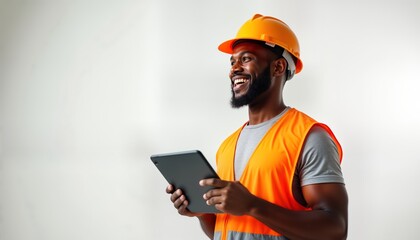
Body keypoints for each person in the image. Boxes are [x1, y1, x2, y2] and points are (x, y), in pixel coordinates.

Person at [166, 14, 348, 240]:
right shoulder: (227, 146)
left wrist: (253, 205)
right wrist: (203, 215)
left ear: (279, 67)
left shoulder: (309, 137)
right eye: (232, 62)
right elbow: (227, 232)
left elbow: (335, 228)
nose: (234, 69)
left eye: (246, 59)